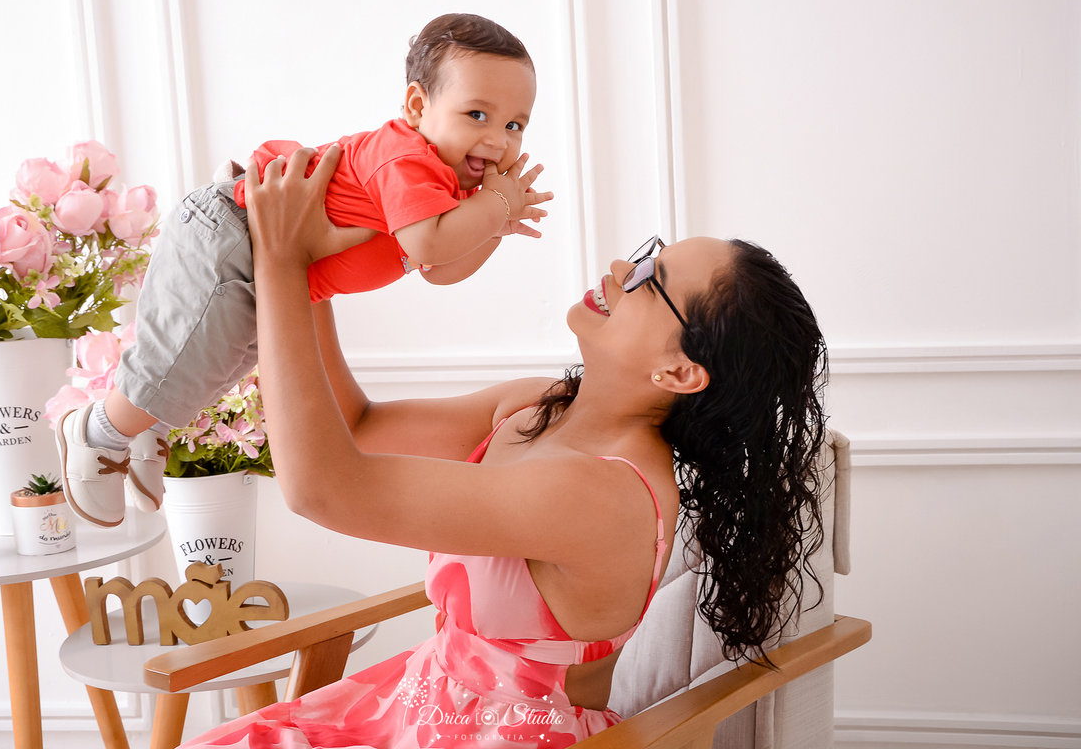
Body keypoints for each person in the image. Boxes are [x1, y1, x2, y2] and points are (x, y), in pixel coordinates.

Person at [178, 146, 829, 748]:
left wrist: (281, 262)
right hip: (417, 701)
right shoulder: (539, 405)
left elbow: (322, 489)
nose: (620, 269)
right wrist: (310, 263)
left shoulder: (602, 491)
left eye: (648, 280)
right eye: (645, 253)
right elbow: (357, 428)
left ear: (680, 371)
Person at [55, 13, 551, 528]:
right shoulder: (405, 157)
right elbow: (427, 244)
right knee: (187, 352)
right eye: (477, 114)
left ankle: (149, 426)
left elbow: (439, 269)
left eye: (514, 125)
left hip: (276, 271)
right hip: (234, 234)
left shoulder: (452, 190)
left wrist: (494, 228)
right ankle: (96, 430)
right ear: (418, 106)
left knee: (222, 361)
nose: (498, 140)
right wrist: (495, 204)